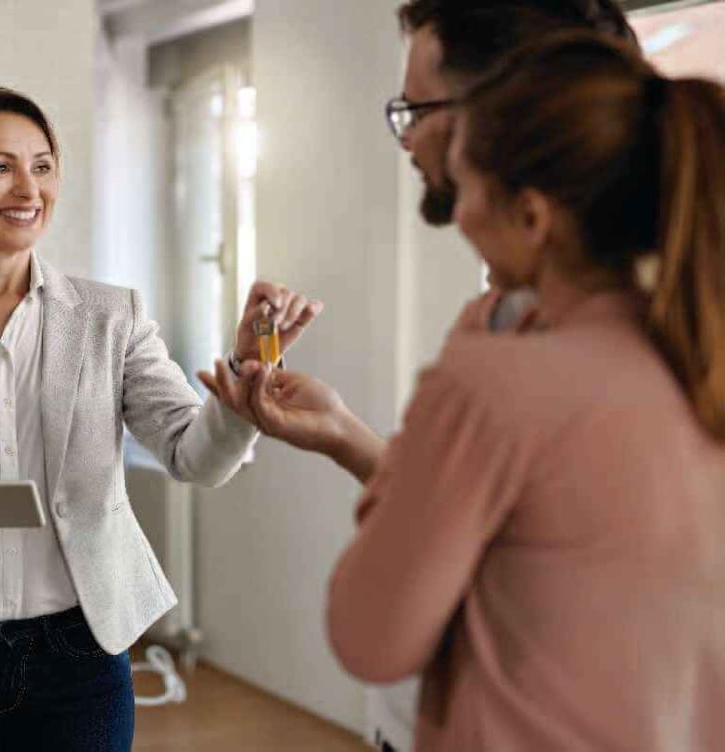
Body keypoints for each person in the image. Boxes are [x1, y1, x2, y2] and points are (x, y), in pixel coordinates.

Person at [216, 32, 725, 750]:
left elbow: (368, 638)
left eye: (467, 175)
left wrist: (453, 388)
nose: (455, 211)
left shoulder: (492, 376)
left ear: (532, 214)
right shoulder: (697, 350)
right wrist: (343, 433)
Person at [0, 85, 322, 751]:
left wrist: (245, 383)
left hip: (76, 660)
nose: (29, 188)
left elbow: (194, 458)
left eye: (43, 165)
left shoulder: (114, 318)